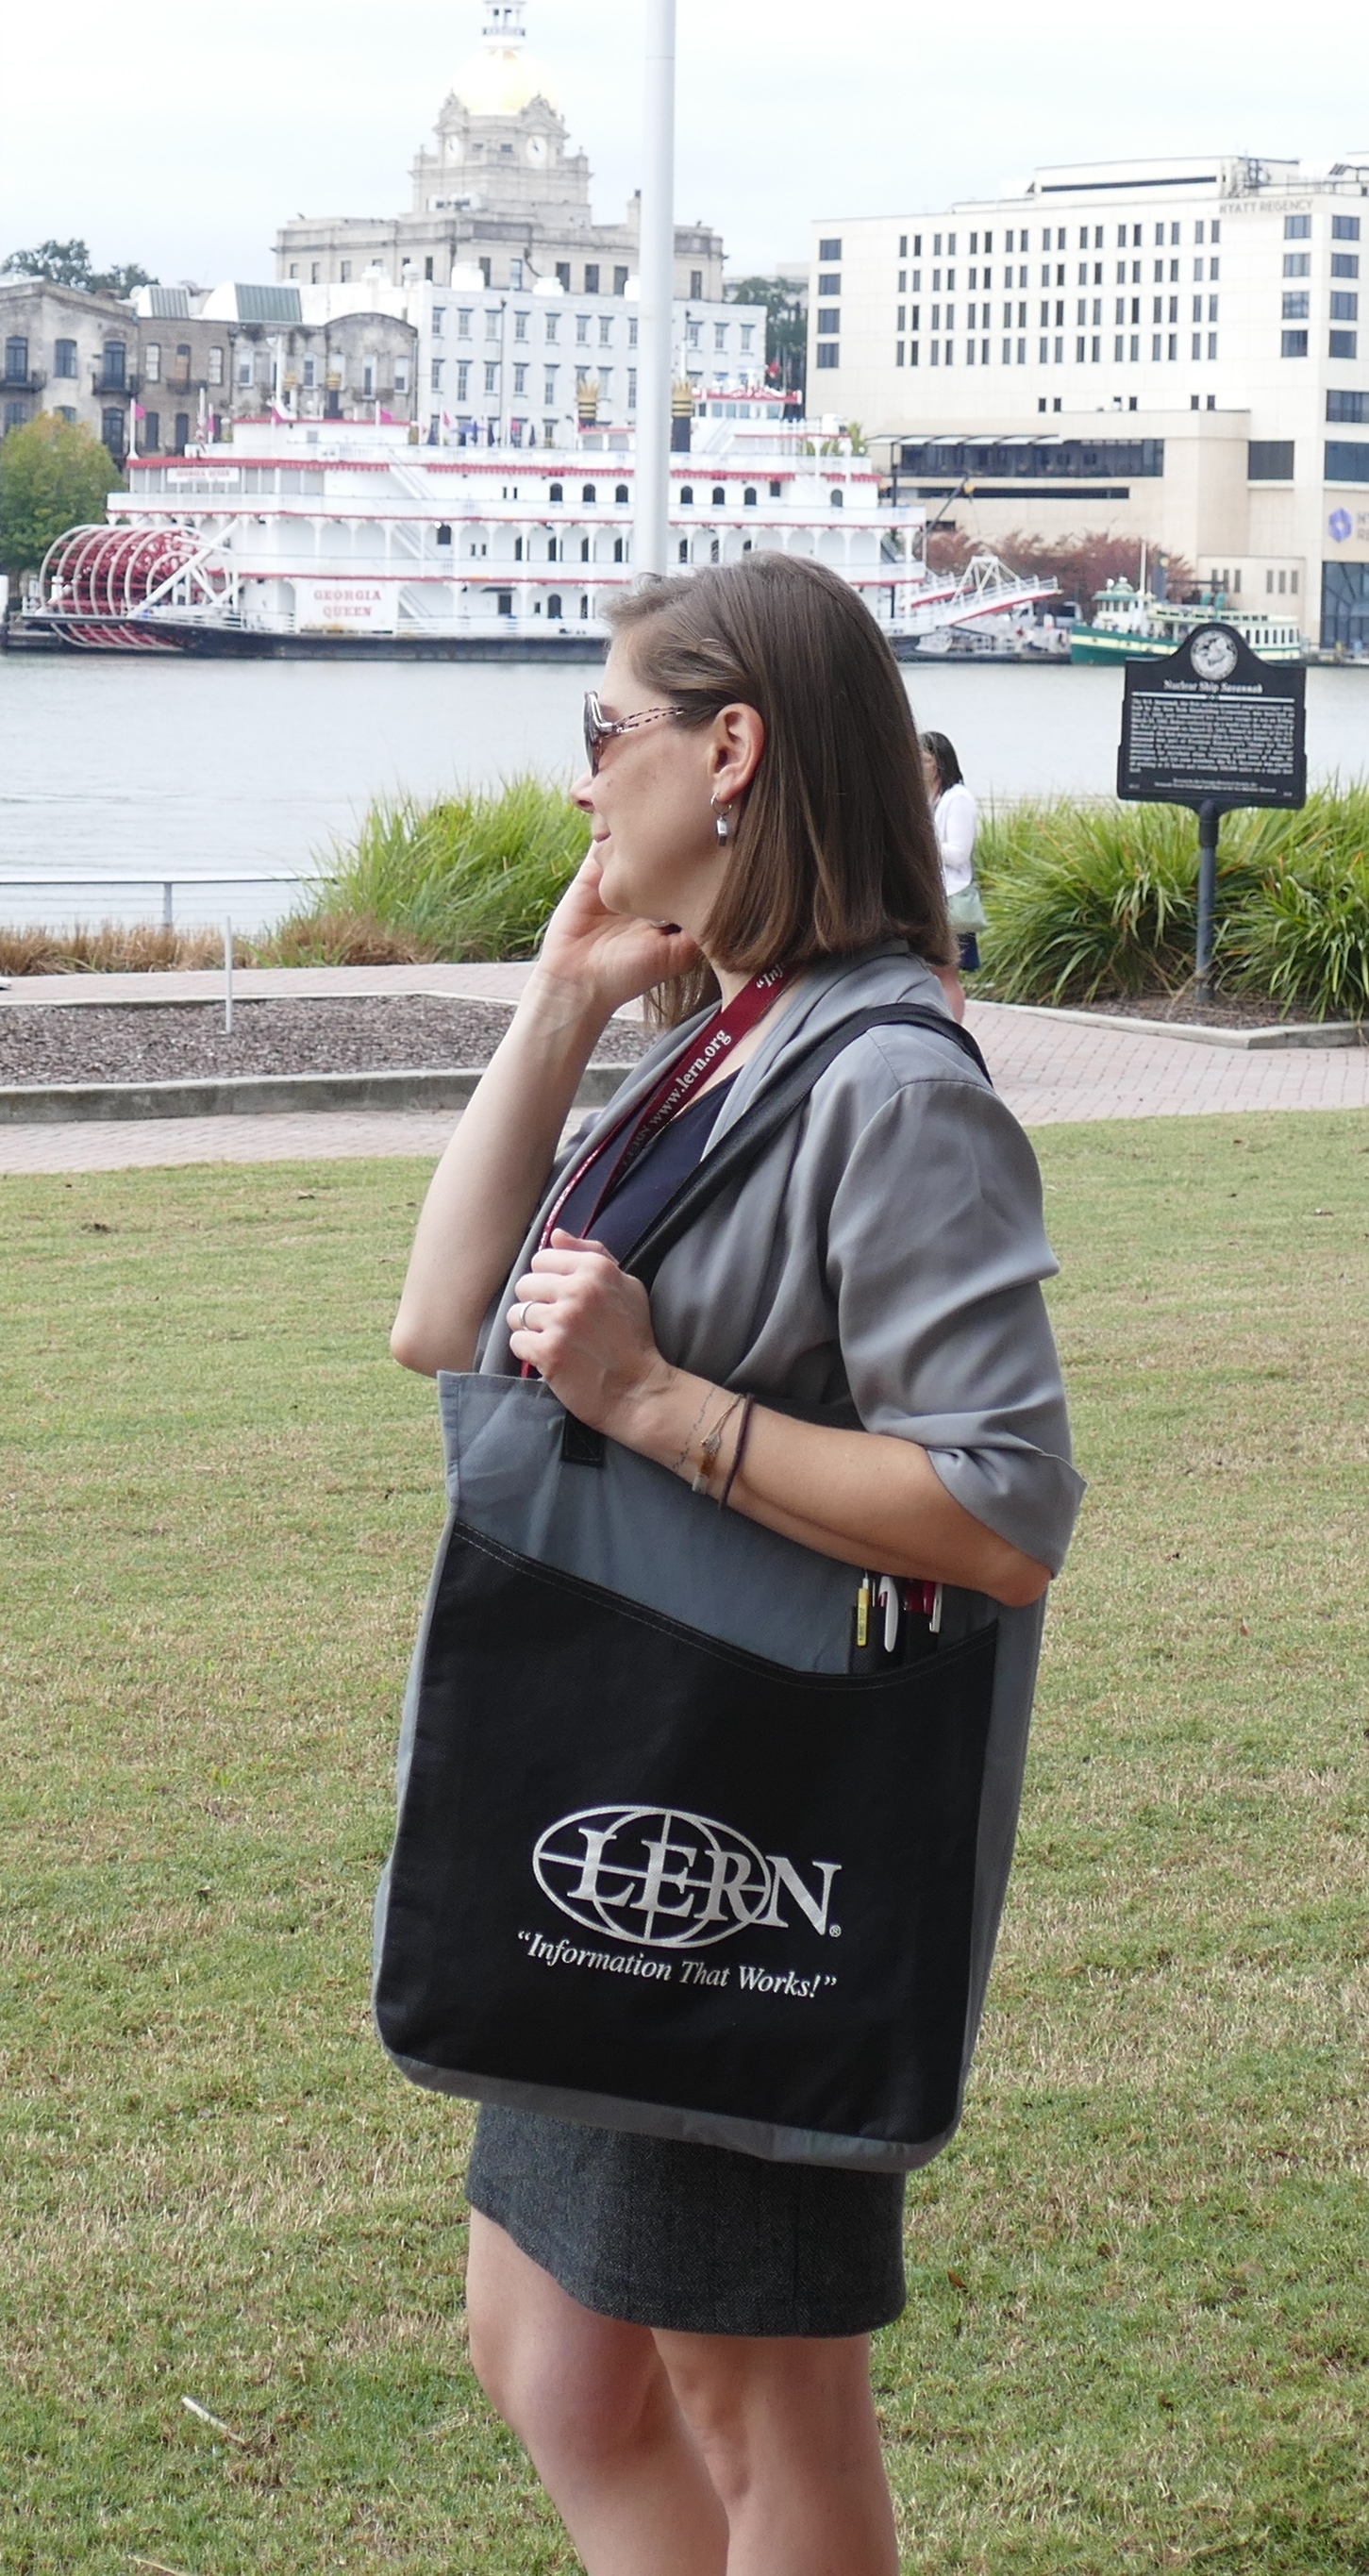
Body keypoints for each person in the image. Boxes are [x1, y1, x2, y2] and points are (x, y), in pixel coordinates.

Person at [390, 555, 1079, 2576]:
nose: (581, 778)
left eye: (603, 731)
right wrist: (562, 999)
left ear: (732, 750)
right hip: (607, 1780)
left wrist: (657, 1401)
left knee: (760, 2411)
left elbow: (1003, 1512)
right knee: (551, 2359)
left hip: (750, 1824)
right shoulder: (727, 1034)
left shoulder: (886, 1084)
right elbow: (441, 1325)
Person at [921, 728, 981, 1024]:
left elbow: (958, 853)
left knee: (946, 972)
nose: (919, 766)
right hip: (930, 895)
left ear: (940, 762)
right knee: (926, 969)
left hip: (953, 895)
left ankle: (952, 1029)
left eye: (925, 760)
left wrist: (921, 842)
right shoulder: (925, 798)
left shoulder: (958, 799)